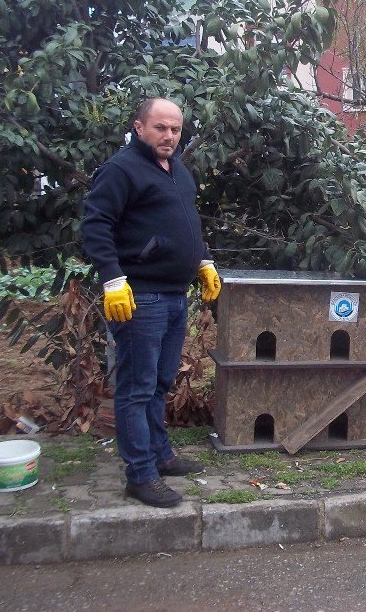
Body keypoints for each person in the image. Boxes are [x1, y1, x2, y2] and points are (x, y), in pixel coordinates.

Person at [82, 97, 221, 507]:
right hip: (139, 297)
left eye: (176, 129)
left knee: (159, 383)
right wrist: (112, 279)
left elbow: (185, 221)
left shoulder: (178, 170)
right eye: (160, 128)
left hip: (176, 296)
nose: (170, 136)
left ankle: (160, 457)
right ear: (139, 127)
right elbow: (96, 224)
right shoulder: (121, 169)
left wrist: (203, 260)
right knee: (137, 388)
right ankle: (139, 475)